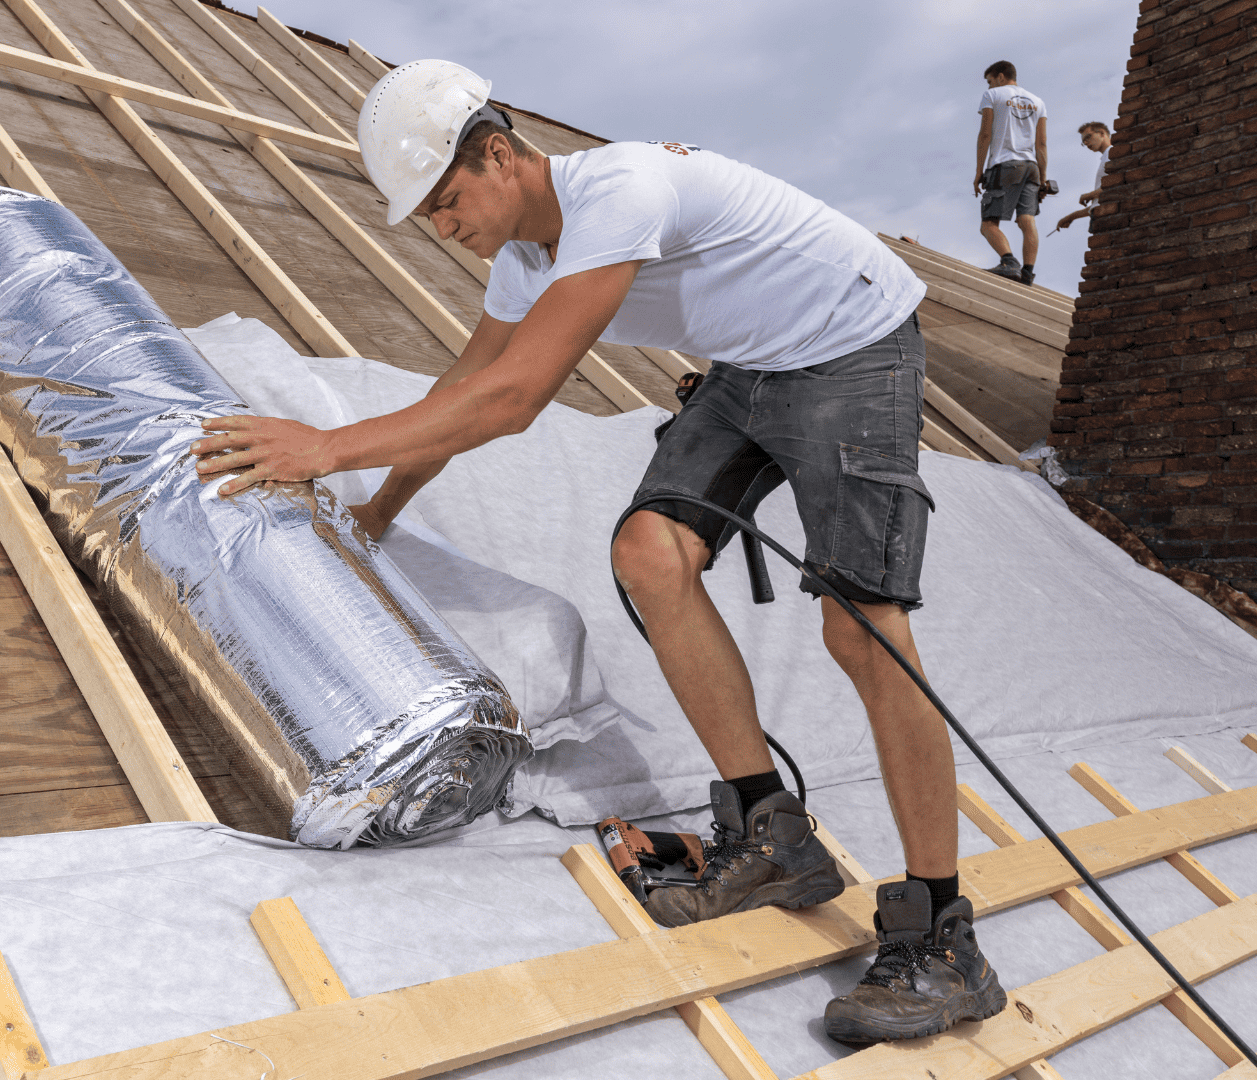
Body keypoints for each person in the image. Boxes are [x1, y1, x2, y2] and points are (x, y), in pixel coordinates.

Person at [187, 60, 1007, 1045]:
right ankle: (771, 835)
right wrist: (379, 510)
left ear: (499, 154)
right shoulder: (523, 266)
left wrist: (322, 448)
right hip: (755, 365)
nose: (445, 228)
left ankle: (942, 936)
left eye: (448, 201)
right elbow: (462, 391)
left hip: (853, 342)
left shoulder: (616, 192)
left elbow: (516, 398)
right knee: (649, 554)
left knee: (859, 626)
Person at [975, 61, 1048, 285]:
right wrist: (1042, 180)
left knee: (988, 224)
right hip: (1031, 167)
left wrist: (979, 171)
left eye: (989, 81)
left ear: (1000, 76)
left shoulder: (992, 95)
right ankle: (1027, 273)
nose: (988, 85)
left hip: (1004, 165)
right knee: (1027, 219)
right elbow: (1042, 144)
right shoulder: (1038, 102)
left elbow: (985, 134)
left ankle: (1009, 262)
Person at [1056, 122, 1112, 232]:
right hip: (1100, 215)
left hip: (1107, 216)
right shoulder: (1106, 157)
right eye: (1083, 141)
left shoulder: (1111, 153)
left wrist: (1089, 195)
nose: (1086, 143)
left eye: (1088, 137)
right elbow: (1098, 203)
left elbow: (1115, 187)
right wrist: (1070, 217)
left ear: (1102, 133)